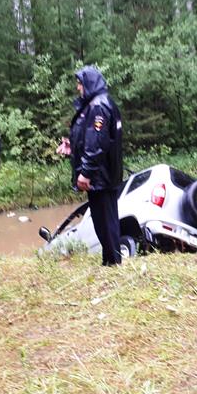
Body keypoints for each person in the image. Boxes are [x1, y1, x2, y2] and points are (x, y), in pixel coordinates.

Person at [58, 66, 123, 266]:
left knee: (105, 220)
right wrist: (73, 148)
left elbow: (97, 144)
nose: (78, 88)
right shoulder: (100, 103)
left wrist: (85, 172)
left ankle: (113, 262)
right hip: (102, 173)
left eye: (80, 83)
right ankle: (110, 260)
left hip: (100, 176)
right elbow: (92, 139)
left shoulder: (98, 107)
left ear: (89, 83)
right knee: (103, 219)